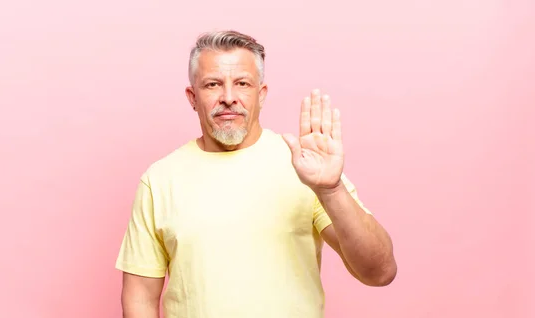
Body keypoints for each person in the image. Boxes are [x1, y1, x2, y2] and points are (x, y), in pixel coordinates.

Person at [115, 30, 397, 318]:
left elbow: (380, 272)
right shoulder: (159, 180)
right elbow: (140, 298)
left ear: (261, 94)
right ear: (192, 97)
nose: (228, 97)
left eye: (242, 84)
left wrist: (331, 190)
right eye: (213, 84)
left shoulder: (305, 166)